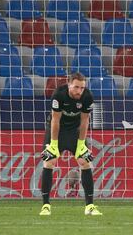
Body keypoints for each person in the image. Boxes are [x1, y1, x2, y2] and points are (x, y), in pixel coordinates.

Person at [39, 72, 102, 215]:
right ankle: (46, 205)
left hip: (74, 131)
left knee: (85, 162)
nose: (79, 91)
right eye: (76, 87)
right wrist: (53, 144)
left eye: (82, 87)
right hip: (57, 130)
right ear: (69, 85)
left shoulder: (87, 96)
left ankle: (90, 206)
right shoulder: (58, 95)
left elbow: (85, 120)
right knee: (49, 161)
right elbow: (55, 120)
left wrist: (81, 144)